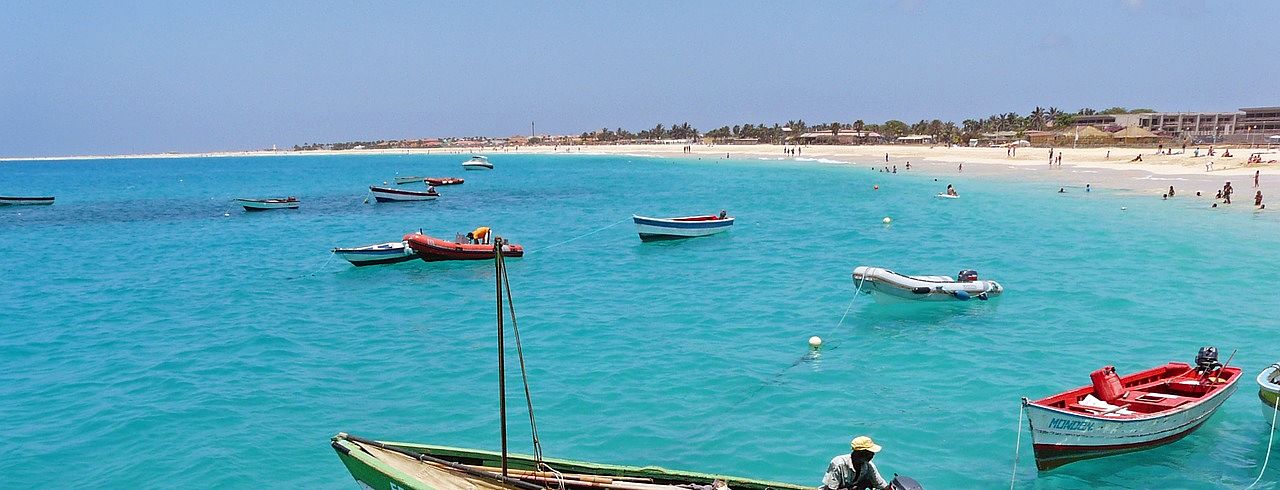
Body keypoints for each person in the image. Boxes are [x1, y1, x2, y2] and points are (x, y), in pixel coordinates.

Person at [820, 436, 889, 490]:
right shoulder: (838, 463)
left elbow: (882, 485)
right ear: (860, 452)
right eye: (870, 452)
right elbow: (830, 489)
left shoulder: (869, 466)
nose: (873, 454)